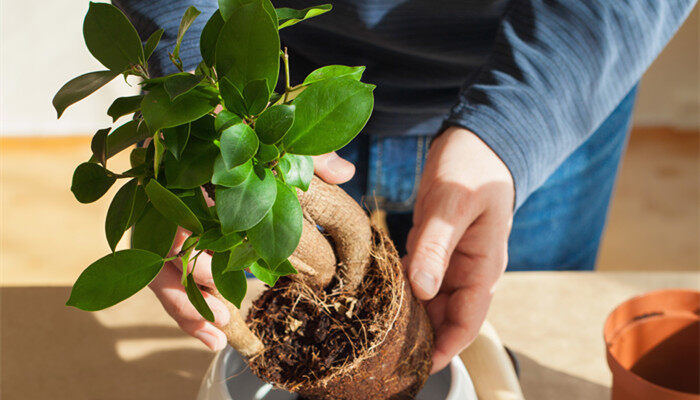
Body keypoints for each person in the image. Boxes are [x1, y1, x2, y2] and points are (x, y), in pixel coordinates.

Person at [114, 0, 696, 373]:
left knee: (519, 344)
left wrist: (513, 129)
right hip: (273, 95)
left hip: (553, 79)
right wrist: (193, 104)